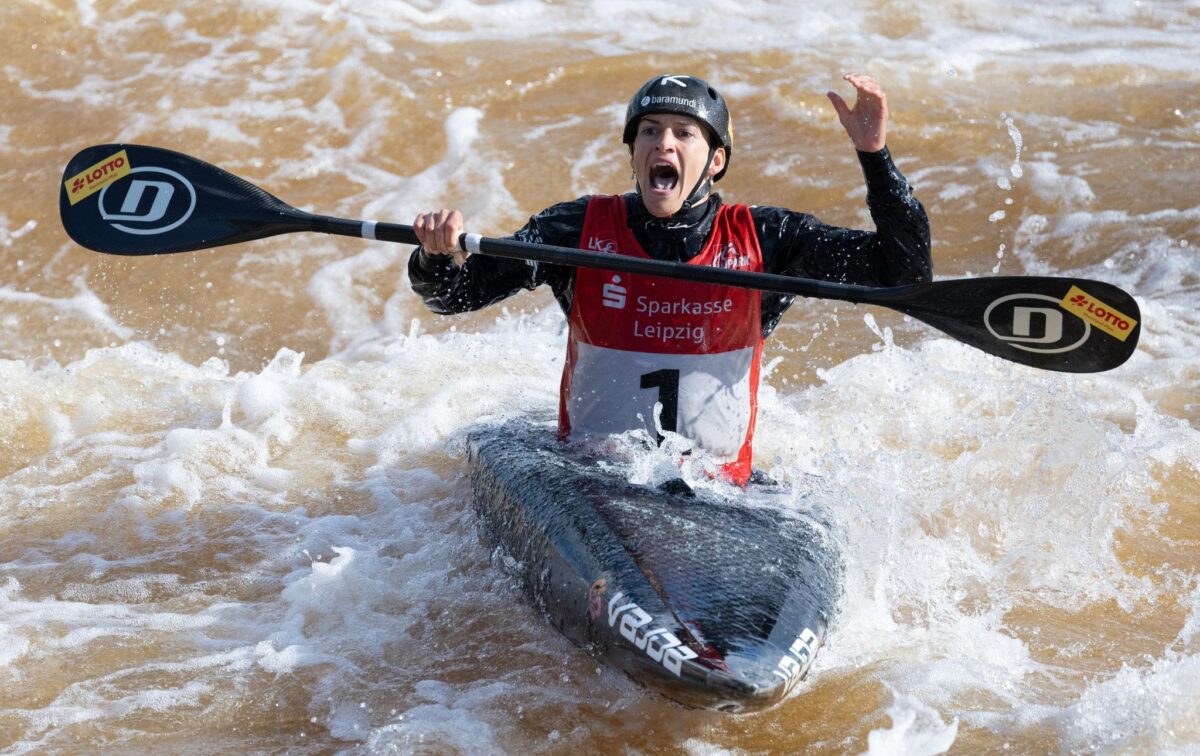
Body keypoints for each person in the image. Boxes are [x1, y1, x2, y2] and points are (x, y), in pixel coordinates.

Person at [408, 73, 932, 485]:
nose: (664, 143)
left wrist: (874, 156)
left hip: (717, 489)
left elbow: (902, 271)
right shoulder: (575, 230)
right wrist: (436, 256)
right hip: (590, 482)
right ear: (634, 154)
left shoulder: (769, 240)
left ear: (715, 160)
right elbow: (454, 296)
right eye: (650, 131)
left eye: (685, 134)